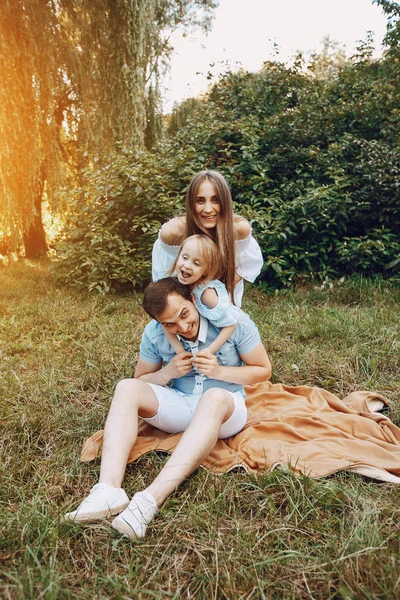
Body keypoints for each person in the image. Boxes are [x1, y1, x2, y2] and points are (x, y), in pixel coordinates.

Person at [65, 277, 271, 540]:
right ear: (158, 323)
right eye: (169, 324)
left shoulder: (234, 321)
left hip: (226, 409)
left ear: (193, 300)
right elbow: (140, 380)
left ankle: (149, 500)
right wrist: (167, 373)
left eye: (184, 314)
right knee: (126, 387)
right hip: (181, 403)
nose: (183, 327)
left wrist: (219, 371)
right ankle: (108, 490)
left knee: (215, 396)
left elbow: (263, 371)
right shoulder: (154, 333)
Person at [152, 170, 263, 307]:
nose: (208, 209)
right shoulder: (173, 233)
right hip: (184, 302)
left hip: (221, 299)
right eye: (200, 201)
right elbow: (164, 280)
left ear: (224, 202)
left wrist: (212, 289)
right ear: (191, 203)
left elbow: (247, 266)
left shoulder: (238, 228)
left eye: (215, 200)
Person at [165, 234, 239, 356]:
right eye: (184, 257)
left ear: (206, 271)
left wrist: (210, 350)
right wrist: (179, 351)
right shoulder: (174, 284)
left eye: (196, 263)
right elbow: (163, 320)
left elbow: (231, 323)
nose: (187, 265)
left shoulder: (206, 295)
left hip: (223, 342)